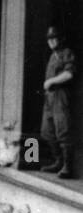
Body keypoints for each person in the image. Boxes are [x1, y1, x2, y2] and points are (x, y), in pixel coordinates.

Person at [40, 25, 75, 179]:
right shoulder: (52, 56)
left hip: (61, 95)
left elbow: (69, 74)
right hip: (50, 98)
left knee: (63, 131)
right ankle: (58, 162)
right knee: (47, 131)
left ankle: (68, 167)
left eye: (54, 39)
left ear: (60, 39)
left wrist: (52, 81)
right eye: (49, 39)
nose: (51, 42)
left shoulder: (66, 53)